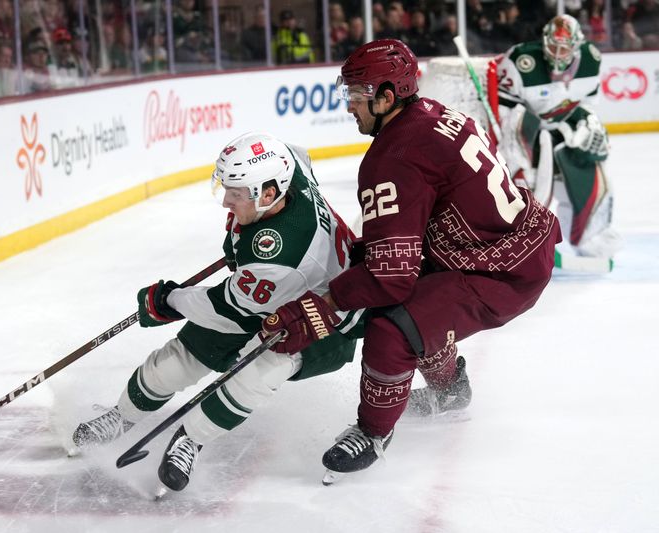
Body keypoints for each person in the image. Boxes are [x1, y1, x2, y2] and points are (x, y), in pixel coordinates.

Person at [260, 39, 561, 483]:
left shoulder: (391, 158)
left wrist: (319, 307)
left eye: (356, 96)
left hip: (498, 269)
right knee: (412, 302)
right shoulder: (433, 112)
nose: (349, 107)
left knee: (393, 324)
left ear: (386, 97)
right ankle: (451, 388)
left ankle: (373, 432)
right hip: (508, 241)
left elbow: (389, 278)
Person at [71, 132, 363, 495]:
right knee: (177, 362)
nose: (226, 201)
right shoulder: (286, 167)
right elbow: (297, 153)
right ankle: (122, 416)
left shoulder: (277, 254)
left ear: (268, 194)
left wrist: (167, 301)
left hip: (326, 321)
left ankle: (189, 440)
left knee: (255, 374)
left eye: (236, 193)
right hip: (272, 292)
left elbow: (220, 306)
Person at [496, 14, 620, 261]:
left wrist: (587, 124)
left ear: (577, 45)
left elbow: (584, 105)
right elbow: (506, 115)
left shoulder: (590, 59)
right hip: (528, 135)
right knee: (528, 188)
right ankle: (523, 241)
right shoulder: (521, 60)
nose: (558, 53)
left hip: (564, 133)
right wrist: (516, 154)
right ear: (544, 41)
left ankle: (588, 237)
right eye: (553, 45)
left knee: (591, 175)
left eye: (565, 47)